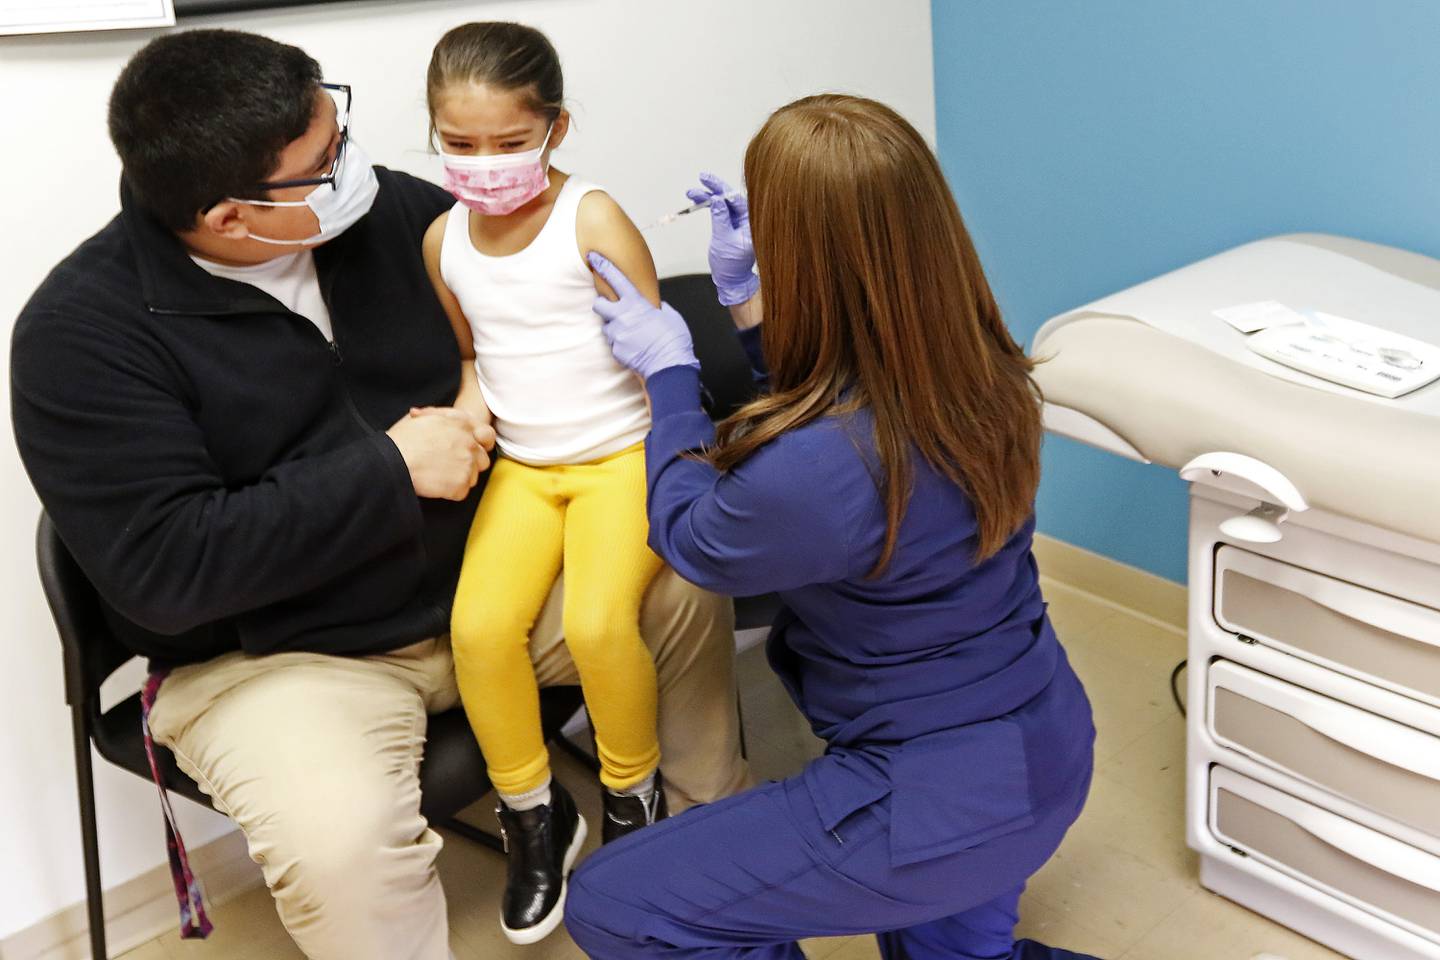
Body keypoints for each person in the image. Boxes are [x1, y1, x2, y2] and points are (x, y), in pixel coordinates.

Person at [9, 29, 749, 960]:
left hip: (477, 578)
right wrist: (389, 472)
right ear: (234, 217)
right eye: (323, 164)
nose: (354, 166)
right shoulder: (81, 338)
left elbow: (531, 330)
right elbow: (166, 569)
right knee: (342, 847)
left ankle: (704, 857)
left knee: (684, 576)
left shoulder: (392, 214)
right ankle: (534, 812)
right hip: (283, 657)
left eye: (339, 128)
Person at [564, 94, 1102, 960]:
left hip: (935, 801)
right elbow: (857, 400)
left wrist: (670, 375)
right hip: (1044, 742)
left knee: (618, 904)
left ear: (802, 256)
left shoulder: (820, 471)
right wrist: (749, 311)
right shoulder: (987, 370)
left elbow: (696, 537)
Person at [419, 21, 672, 944]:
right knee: (479, 629)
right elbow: (470, 354)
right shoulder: (442, 239)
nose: (484, 163)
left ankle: (633, 797)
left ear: (555, 129)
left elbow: (661, 357)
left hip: (619, 458)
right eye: (460, 145)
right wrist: (469, 399)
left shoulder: (591, 217)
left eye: (509, 143)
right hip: (526, 468)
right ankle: (532, 815)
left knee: (601, 625)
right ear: (435, 134)